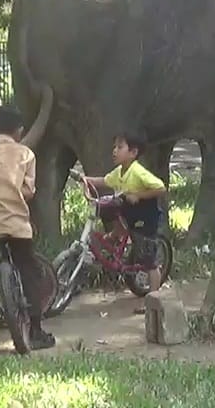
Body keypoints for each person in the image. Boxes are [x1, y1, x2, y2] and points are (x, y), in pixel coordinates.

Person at [0, 105, 55, 351]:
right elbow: (29, 191)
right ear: (19, 131)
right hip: (18, 226)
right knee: (30, 274)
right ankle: (36, 331)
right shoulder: (26, 154)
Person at [74, 131, 167, 307]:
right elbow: (105, 181)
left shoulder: (138, 172)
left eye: (120, 147)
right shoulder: (120, 171)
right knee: (107, 207)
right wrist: (85, 180)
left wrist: (139, 195)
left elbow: (160, 188)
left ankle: (153, 301)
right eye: (114, 147)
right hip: (129, 212)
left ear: (133, 153)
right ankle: (118, 232)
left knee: (148, 261)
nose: (114, 151)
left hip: (144, 218)